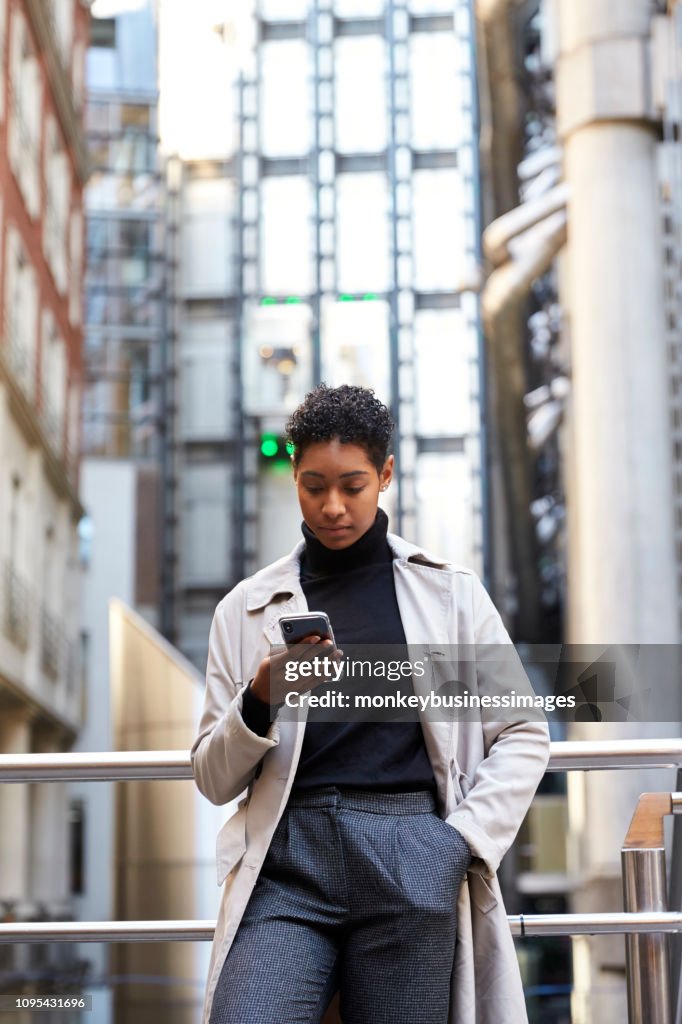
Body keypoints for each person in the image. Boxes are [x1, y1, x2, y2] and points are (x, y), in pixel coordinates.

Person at [191, 383, 550, 1024]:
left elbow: (522, 731)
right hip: (286, 862)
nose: (332, 507)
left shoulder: (450, 596)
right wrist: (260, 698)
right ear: (294, 475)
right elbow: (213, 778)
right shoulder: (244, 608)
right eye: (312, 485)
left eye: (352, 486)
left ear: (385, 474)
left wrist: (455, 843)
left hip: (411, 852)